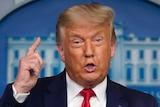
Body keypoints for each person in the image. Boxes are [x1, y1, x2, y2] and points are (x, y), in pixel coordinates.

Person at [0, 4, 158, 107]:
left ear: (112, 48)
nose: (89, 52)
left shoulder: (142, 103)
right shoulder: (29, 98)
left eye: (97, 41)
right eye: (77, 42)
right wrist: (20, 88)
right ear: (62, 51)